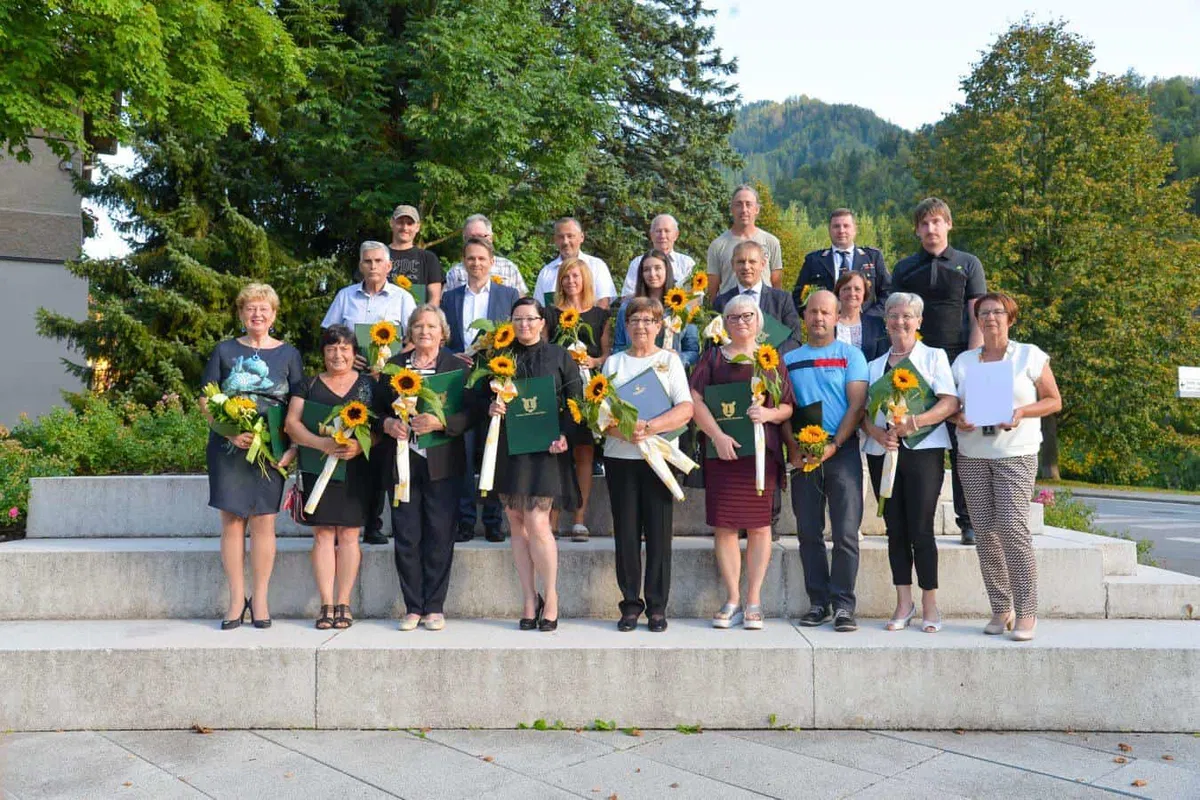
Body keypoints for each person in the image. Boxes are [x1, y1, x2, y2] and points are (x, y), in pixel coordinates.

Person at [951, 292, 1061, 642]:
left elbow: (1053, 400)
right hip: (972, 454)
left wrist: (1021, 412)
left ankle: (1027, 612)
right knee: (984, 532)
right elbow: (950, 405)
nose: (990, 319)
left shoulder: (1029, 355)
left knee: (1013, 528)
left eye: (998, 312)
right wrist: (959, 418)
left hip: (1016, 451)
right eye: (984, 313)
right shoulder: (964, 362)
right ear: (977, 321)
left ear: (1010, 318)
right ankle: (1001, 608)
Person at [201, 283, 303, 630]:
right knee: (232, 522)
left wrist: (293, 447)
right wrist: (230, 431)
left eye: (264, 309)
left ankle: (259, 599)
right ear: (241, 314)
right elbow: (206, 399)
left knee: (264, 522)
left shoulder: (289, 354)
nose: (257, 315)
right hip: (229, 449)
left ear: (274, 315)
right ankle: (235, 600)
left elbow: (297, 405)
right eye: (250, 309)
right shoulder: (224, 350)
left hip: (272, 449)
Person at [689, 294, 794, 630]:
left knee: (760, 526)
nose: (740, 322)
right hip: (724, 453)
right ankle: (733, 598)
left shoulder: (770, 359)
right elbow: (694, 399)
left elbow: (788, 405)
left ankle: (754, 599)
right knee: (725, 526)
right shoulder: (712, 357)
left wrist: (768, 413)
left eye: (747, 315)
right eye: (733, 317)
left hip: (760, 456)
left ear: (758, 320)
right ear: (725, 322)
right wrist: (717, 436)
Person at [861, 293, 960, 633]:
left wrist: (913, 424)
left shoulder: (933, 358)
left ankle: (930, 603)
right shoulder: (874, 365)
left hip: (924, 451)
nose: (900, 322)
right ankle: (904, 602)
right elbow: (864, 415)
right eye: (893, 316)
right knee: (895, 529)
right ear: (885, 321)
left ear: (919, 321)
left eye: (907, 316)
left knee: (920, 527)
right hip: (883, 455)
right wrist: (877, 434)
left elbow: (949, 403)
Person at [891, 198, 986, 545]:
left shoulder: (969, 264)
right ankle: (911, 520)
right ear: (917, 230)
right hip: (917, 364)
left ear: (948, 224)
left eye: (937, 222)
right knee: (915, 441)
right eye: (924, 224)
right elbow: (897, 318)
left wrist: (973, 364)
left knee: (964, 442)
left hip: (959, 358)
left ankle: (969, 520)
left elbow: (977, 314)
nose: (931, 229)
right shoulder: (904, 268)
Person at [486, 297, 584, 631]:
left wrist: (567, 435)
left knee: (537, 521)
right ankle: (529, 598)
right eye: (518, 319)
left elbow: (577, 400)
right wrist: (491, 408)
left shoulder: (560, 356)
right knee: (515, 520)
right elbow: (478, 397)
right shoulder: (499, 357)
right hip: (510, 448)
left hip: (546, 448)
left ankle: (552, 596)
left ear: (543, 322)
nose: (524, 324)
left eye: (530, 318)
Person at [602, 298, 694, 632]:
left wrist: (649, 428)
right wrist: (626, 432)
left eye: (648, 320)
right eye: (635, 320)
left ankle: (657, 607)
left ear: (659, 325)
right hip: (621, 456)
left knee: (658, 535)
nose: (641, 326)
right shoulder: (613, 364)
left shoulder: (669, 362)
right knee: (626, 534)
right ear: (626, 326)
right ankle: (629, 605)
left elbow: (685, 409)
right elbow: (599, 415)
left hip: (659, 458)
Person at [380, 305, 474, 631]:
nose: (424, 332)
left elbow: (471, 414)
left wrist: (440, 422)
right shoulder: (393, 367)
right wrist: (389, 424)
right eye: (418, 326)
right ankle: (412, 607)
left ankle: (434, 606)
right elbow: (376, 409)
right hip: (402, 462)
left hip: (443, 463)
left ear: (443, 332)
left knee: (439, 533)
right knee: (406, 534)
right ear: (410, 332)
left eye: (431, 326)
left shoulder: (457, 367)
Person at [284, 325, 379, 630]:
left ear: (354, 353)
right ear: (323, 353)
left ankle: (344, 603)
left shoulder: (368, 385)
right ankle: (326, 604)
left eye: (344, 349)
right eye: (331, 349)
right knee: (324, 533)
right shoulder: (307, 385)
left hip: (356, 469)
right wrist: (321, 443)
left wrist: (360, 444)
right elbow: (292, 424)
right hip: (317, 466)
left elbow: (381, 428)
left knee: (350, 535)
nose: (338, 355)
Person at [783, 290, 868, 633]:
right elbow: (784, 408)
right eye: (813, 312)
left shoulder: (852, 356)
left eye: (825, 313)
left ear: (836, 317)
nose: (818, 318)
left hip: (841, 452)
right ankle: (819, 602)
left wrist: (834, 444)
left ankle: (844, 605)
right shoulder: (788, 360)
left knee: (846, 532)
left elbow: (857, 405)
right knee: (808, 532)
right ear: (804, 317)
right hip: (803, 454)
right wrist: (793, 446)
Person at [322, 240, 416, 545]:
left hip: (390, 384)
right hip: (351, 381)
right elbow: (329, 336)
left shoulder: (403, 298)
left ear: (389, 266)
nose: (373, 266)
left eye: (378, 261)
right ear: (360, 265)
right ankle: (350, 518)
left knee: (383, 453)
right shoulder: (345, 297)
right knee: (353, 447)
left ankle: (376, 523)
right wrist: (348, 354)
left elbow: (417, 339)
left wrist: (391, 361)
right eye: (367, 261)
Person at [441, 237, 520, 542]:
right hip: (460, 382)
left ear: (491, 262)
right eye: (470, 259)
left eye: (481, 259)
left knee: (494, 449)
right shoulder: (450, 298)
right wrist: (451, 356)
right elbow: (442, 340)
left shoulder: (508, 295)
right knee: (461, 450)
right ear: (464, 263)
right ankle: (464, 519)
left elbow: (514, 337)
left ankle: (492, 519)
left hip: (496, 382)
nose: (476, 264)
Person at [544, 258, 610, 542]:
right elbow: (544, 351)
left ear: (585, 279)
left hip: (586, 391)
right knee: (558, 453)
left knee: (584, 452)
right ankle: (553, 519)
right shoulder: (549, 314)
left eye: (575, 276)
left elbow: (606, 355)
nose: (571, 281)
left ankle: (579, 519)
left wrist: (591, 360)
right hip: (557, 391)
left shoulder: (600, 315)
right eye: (565, 276)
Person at [610, 248, 700, 367]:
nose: (652, 274)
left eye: (657, 268)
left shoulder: (684, 308)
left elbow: (693, 351)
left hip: (670, 373)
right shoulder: (627, 308)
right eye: (646, 270)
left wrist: (679, 357)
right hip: (635, 373)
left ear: (667, 270)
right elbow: (618, 347)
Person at [792, 208, 890, 316]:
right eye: (836, 226)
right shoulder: (814, 260)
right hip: (827, 328)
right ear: (829, 230)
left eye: (846, 226)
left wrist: (870, 317)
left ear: (855, 230)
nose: (841, 231)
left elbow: (888, 293)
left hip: (866, 326)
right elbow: (798, 297)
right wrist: (817, 316)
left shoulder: (873, 257)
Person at [714, 240, 803, 353]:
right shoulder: (722, 302)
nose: (746, 267)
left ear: (763, 264)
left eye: (752, 261)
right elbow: (713, 343)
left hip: (772, 366)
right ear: (733, 265)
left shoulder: (782, 300)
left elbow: (795, 339)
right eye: (741, 262)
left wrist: (767, 359)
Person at [706, 185, 783, 300]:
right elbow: (712, 290)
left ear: (757, 209)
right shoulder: (718, 245)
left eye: (748, 204)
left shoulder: (771, 242)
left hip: (764, 313)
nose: (744, 210)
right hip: (730, 312)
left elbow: (776, 284)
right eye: (739, 204)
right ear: (732, 209)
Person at [532, 217, 618, 310]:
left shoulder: (597, 266)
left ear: (582, 237)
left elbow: (603, 305)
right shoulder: (546, 273)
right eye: (561, 237)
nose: (565, 242)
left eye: (570, 236)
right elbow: (539, 309)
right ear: (555, 240)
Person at [442, 214, 529, 295]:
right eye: (472, 238)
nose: (477, 241)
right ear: (464, 239)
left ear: (491, 238)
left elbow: (520, 303)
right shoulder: (455, 273)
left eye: (481, 236)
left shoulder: (509, 268)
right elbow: (447, 305)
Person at [618, 214, 696, 298]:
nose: (662, 236)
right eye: (658, 231)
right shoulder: (638, 263)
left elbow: (696, 297)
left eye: (667, 231)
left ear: (676, 235)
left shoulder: (687, 263)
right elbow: (627, 298)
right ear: (651, 235)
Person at [387, 204, 445, 306]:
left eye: (410, 223)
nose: (405, 227)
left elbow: (435, 298)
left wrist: (425, 320)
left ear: (417, 227)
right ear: (391, 223)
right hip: (382, 320)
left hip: (417, 318)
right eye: (400, 222)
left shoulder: (429, 259)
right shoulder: (377, 256)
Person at [834, 271, 888, 363]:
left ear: (864, 293)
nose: (852, 293)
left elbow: (883, 358)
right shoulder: (828, 323)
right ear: (839, 293)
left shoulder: (876, 324)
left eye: (857, 289)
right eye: (846, 289)